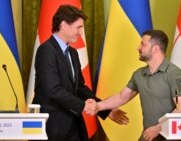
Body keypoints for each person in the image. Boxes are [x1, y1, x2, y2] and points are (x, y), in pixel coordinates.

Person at [32, 4, 128, 141]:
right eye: (78, 27)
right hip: (52, 126)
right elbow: (53, 89)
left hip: (74, 123)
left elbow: (80, 88)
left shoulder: (73, 52)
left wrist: (105, 110)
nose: (81, 32)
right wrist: (84, 106)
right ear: (63, 25)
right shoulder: (46, 50)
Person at [93, 29, 181, 141]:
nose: (138, 47)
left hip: (170, 138)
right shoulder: (139, 74)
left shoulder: (175, 74)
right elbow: (121, 97)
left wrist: (159, 128)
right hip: (148, 136)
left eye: (143, 44)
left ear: (155, 49)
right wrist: (97, 106)